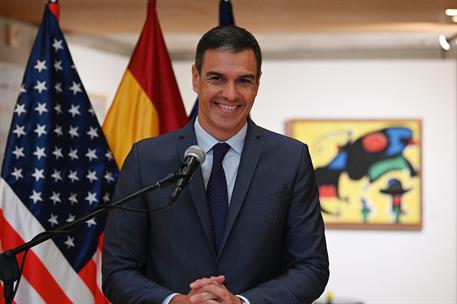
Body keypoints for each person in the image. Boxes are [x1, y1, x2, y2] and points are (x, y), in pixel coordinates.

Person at [102, 25, 329, 304]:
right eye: (217, 78)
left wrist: (242, 303)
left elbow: (311, 267)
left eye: (244, 81)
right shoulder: (145, 159)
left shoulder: (290, 159)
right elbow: (117, 271)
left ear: (258, 82)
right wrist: (175, 302)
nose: (231, 94)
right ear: (196, 78)